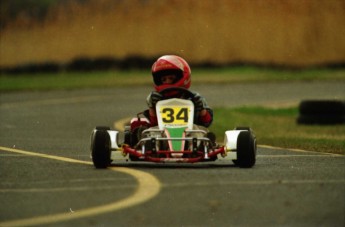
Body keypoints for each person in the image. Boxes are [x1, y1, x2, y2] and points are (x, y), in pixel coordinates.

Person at [145, 55, 213, 128]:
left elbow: (206, 123)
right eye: (164, 80)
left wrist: (201, 108)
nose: (167, 82)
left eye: (171, 78)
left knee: (200, 131)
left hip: (191, 135)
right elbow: (154, 124)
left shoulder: (193, 98)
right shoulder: (156, 98)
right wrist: (152, 106)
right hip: (162, 135)